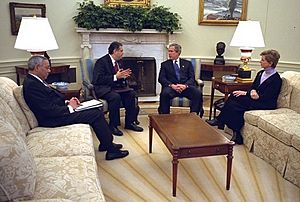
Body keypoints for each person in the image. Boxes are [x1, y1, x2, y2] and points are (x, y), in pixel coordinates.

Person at [23, 55, 129, 161]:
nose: (49, 71)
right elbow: (47, 110)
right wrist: (69, 107)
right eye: (47, 68)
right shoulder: (32, 85)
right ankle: (111, 151)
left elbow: (50, 100)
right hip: (52, 119)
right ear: (37, 67)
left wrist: (67, 102)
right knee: (95, 114)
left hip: (57, 113)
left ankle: (106, 144)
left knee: (95, 110)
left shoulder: (36, 80)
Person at [207, 49, 282, 144]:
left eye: (263, 60)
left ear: (270, 63)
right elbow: (252, 87)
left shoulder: (276, 79)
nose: (260, 61)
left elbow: (266, 98)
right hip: (254, 99)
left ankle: (221, 120)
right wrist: (250, 92)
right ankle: (235, 132)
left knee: (235, 106)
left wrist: (249, 94)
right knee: (234, 96)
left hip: (264, 104)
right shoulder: (260, 73)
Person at [92, 41, 143, 136]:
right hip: (104, 88)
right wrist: (116, 76)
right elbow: (97, 79)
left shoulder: (119, 62)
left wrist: (123, 76)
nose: (123, 53)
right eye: (121, 51)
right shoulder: (101, 62)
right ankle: (113, 126)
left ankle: (130, 123)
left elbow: (118, 75)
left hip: (117, 87)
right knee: (115, 97)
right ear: (115, 51)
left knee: (131, 94)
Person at [158, 43, 203, 116]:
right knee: (164, 94)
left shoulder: (188, 63)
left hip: (185, 88)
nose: (169, 53)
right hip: (172, 88)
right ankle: (164, 116)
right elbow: (161, 78)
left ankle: (194, 115)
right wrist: (171, 85)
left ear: (178, 52)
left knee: (197, 93)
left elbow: (192, 78)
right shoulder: (165, 64)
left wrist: (185, 86)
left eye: (171, 51)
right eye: (169, 51)